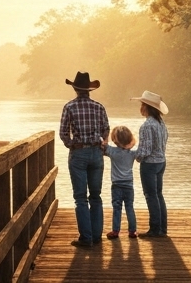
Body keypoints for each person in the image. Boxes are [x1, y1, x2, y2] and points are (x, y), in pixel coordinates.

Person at [60, 71, 109, 249]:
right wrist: (102, 144)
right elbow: (106, 129)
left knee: (80, 198)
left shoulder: (69, 107)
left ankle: (85, 238)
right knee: (96, 196)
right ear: (89, 90)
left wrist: (71, 144)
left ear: (74, 88)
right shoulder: (99, 107)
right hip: (96, 153)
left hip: (79, 154)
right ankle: (96, 236)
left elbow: (63, 132)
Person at [132, 90, 170, 239]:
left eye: (142, 105)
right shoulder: (161, 124)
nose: (140, 107)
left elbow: (145, 150)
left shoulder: (147, 125)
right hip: (161, 161)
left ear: (147, 107)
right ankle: (162, 228)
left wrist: (136, 157)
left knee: (150, 195)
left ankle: (155, 229)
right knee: (158, 194)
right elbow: (163, 143)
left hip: (150, 164)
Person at [103, 126, 139, 239]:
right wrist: (131, 143)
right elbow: (138, 149)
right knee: (129, 207)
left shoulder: (112, 151)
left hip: (117, 185)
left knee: (117, 208)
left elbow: (103, 145)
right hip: (129, 185)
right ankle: (132, 231)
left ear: (114, 140)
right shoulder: (132, 153)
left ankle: (115, 231)